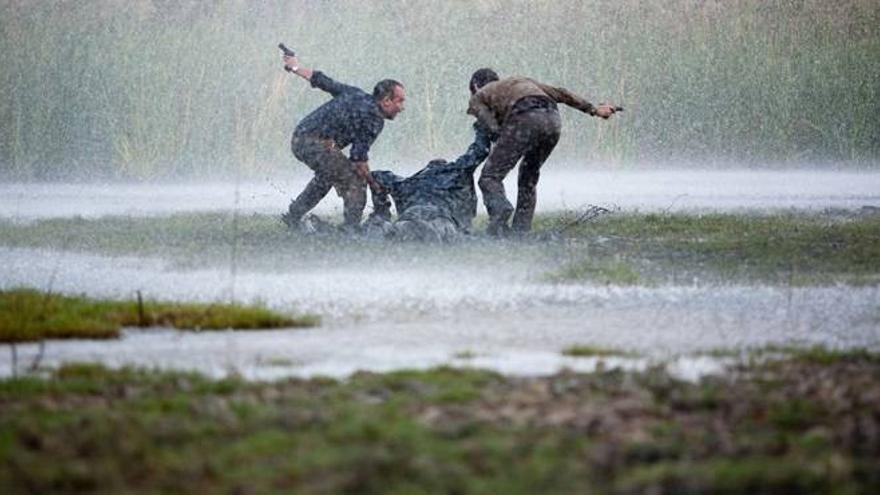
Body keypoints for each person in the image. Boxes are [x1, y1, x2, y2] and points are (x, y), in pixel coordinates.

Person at [468, 72, 620, 235]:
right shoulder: (521, 81)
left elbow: (491, 126)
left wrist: (498, 139)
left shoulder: (479, 96)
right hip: (552, 121)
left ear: (475, 86)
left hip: (524, 118)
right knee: (528, 177)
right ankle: (521, 231)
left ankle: (499, 216)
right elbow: (563, 94)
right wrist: (594, 109)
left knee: (490, 177)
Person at [280, 53, 406, 231]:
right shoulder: (375, 118)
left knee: (327, 177)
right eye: (399, 101)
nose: (402, 108)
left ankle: (293, 216)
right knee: (355, 181)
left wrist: (294, 67)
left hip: (299, 138)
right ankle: (351, 231)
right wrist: (374, 185)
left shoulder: (355, 93)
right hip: (316, 144)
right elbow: (358, 160)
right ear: (386, 101)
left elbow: (322, 80)